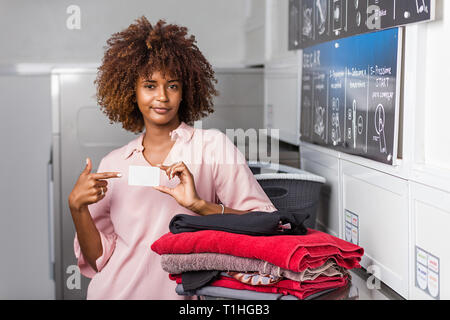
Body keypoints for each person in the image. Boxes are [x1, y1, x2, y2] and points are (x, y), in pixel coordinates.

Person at [68, 16, 277, 300]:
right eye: (150, 85)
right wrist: (77, 208)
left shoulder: (212, 147)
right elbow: (98, 261)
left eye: (173, 85)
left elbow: (265, 223)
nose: (162, 97)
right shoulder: (114, 163)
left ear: (185, 91)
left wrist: (201, 206)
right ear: (133, 91)